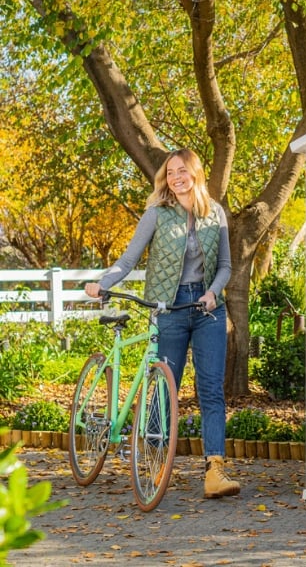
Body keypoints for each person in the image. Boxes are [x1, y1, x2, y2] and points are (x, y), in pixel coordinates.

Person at [85, 148, 240, 499]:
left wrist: (213, 293)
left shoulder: (216, 214)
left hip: (206, 309)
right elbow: (127, 260)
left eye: (182, 170)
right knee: (164, 390)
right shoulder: (156, 214)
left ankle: (215, 470)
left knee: (211, 389)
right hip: (167, 309)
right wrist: (102, 283)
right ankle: (154, 463)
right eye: (170, 172)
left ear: (196, 173)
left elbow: (226, 266)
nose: (176, 177)